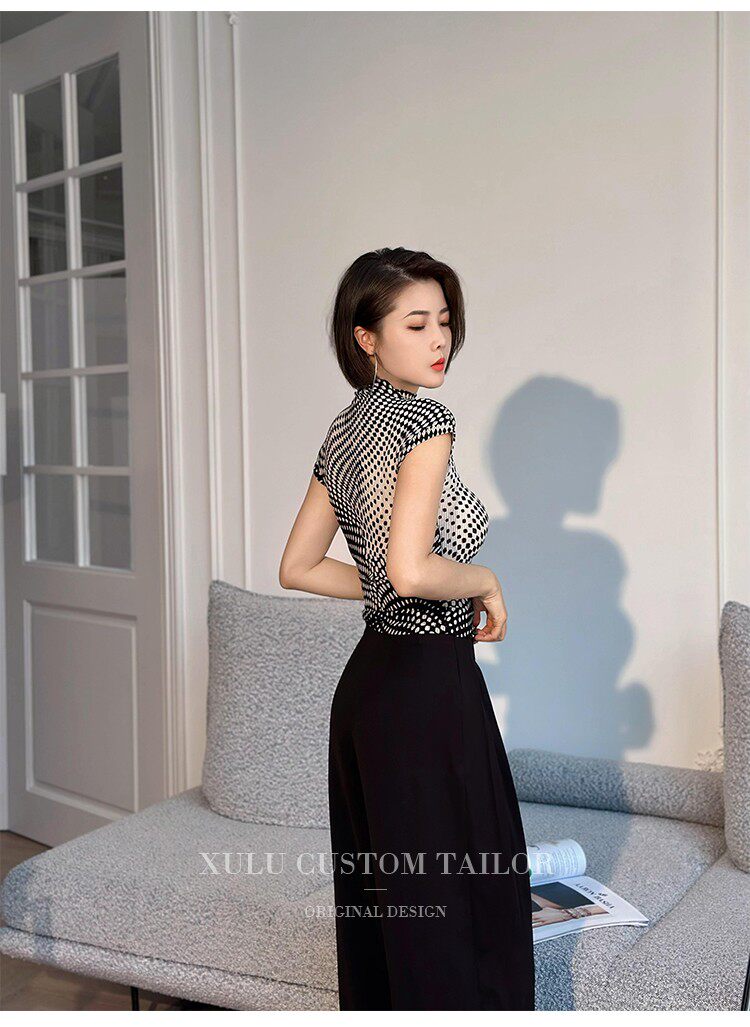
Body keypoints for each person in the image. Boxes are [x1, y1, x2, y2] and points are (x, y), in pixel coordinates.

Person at [279, 246, 535, 1011]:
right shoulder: (426, 420)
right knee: (460, 903)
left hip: (370, 687)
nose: (439, 339)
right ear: (366, 337)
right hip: (427, 683)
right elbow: (414, 569)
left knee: (395, 902)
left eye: (444, 321)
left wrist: (391, 583)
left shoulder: (342, 431)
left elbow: (298, 566)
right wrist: (485, 580)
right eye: (416, 323)